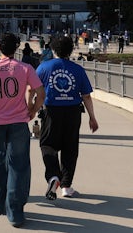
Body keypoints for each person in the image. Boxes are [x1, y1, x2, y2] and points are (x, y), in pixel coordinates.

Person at [0, 33, 45, 228]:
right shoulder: (25, 68)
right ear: (16, 48)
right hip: (18, 122)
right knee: (19, 165)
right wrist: (32, 110)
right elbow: (41, 93)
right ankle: (14, 211)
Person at [36, 36, 99, 200]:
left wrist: (30, 107)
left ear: (54, 50)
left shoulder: (44, 67)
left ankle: (53, 176)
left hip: (51, 111)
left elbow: (34, 89)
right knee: (70, 149)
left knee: (47, 144)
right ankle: (66, 186)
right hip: (73, 112)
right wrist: (92, 117)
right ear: (71, 51)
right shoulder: (78, 70)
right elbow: (86, 96)